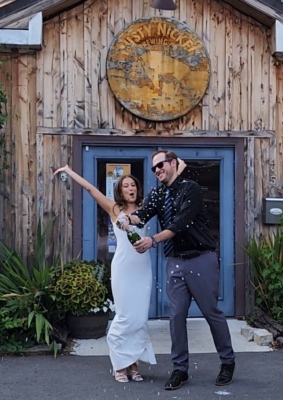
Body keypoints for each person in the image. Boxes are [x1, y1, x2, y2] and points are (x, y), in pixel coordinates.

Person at [117, 150, 236, 391]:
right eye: (154, 168)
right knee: (176, 316)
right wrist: (128, 220)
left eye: (161, 165)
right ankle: (180, 369)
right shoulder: (158, 193)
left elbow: (180, 223)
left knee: (211, 312)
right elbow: (143, 213)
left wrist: (152, 240)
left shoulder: (190, 188)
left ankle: (227, 362)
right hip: (175, 262)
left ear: (173, 163)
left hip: (201, 259)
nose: (157, 170)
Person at [53, 165, 156, 383]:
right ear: (120, 189)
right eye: (126, 185)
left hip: (143, 268)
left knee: (139, 319)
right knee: (125, 316)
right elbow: (91, 189)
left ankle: (134, 363)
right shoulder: (114, 209)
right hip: (123, 268)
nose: (131, 188)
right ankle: (120, 364)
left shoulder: (145, 207)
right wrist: (69, 171)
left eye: (133, 185)